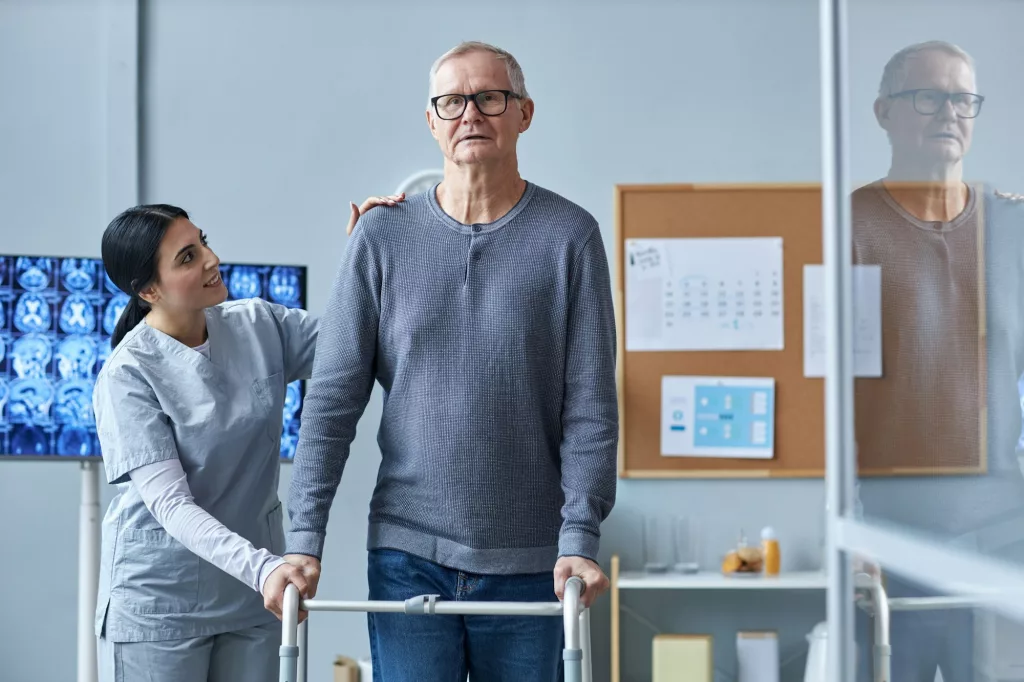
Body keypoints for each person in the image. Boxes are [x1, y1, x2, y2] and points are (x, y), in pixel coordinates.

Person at [276, 41, 619, 681]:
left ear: (525, 113)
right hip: (408, 553)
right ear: (431, 120)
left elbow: (592, 407)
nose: (471, 115)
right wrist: (303, 540)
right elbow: (331, 402)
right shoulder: (382, 237)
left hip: (530, 560)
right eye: (452, 101)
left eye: (491, 97)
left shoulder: (571, 236)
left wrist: (579, 538)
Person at [92, 194, 399, 682]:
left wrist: (372, 249)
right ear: (149, 289)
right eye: (188, 257)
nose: (212, 260)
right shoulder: (128, 375)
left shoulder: (259, 325)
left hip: (256, 596)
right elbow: (171, 506)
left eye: (203, 243)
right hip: (163, 603)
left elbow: (359, 341)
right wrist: (263, 569)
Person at [851, 40, 1024, 681]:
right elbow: (834, 395)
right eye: (928, 97)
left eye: (963, 98)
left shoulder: (1014, 227)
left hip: (1007, 537)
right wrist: (853, 528)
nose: (949, 112)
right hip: (896, 538)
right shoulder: (851, 228)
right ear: (882, 112)